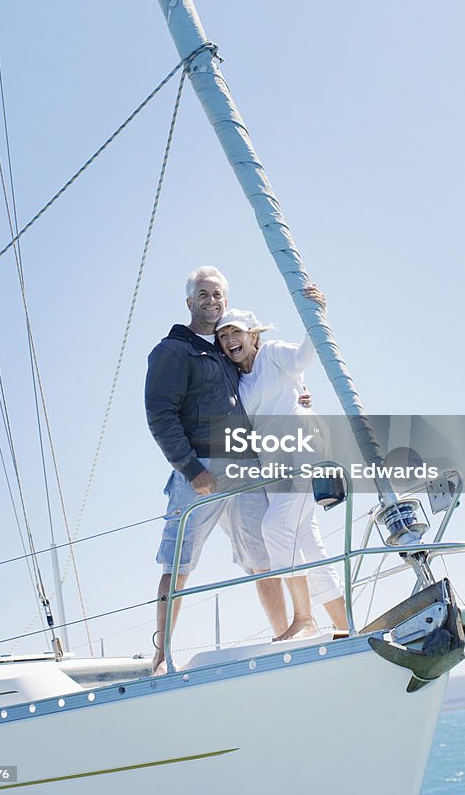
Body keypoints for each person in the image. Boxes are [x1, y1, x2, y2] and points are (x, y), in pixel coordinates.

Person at [145, 266, 288, 674]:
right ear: (190, 302)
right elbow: (160, 413)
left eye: (218, 295)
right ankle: (161, 656)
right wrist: (191, 469)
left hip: (245, 466)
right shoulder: (172, 351)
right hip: (201, 472)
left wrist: (298, 397)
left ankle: (284, 637)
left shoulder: (226, 351)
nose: (212, 301)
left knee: (262, 557)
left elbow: (258, 387)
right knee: (179, 562)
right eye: (204, 295)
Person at [216, 285, 349, 641]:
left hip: (301, 445)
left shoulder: (272, 353)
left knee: (275, 527)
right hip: (271, 459)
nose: (230, 340)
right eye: (223, 335)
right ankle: (346, 627)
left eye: (236, 332)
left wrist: (318, 313)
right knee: (306, 540)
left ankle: (304, 618)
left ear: (253, 335)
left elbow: (306, 357)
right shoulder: (239, 381)